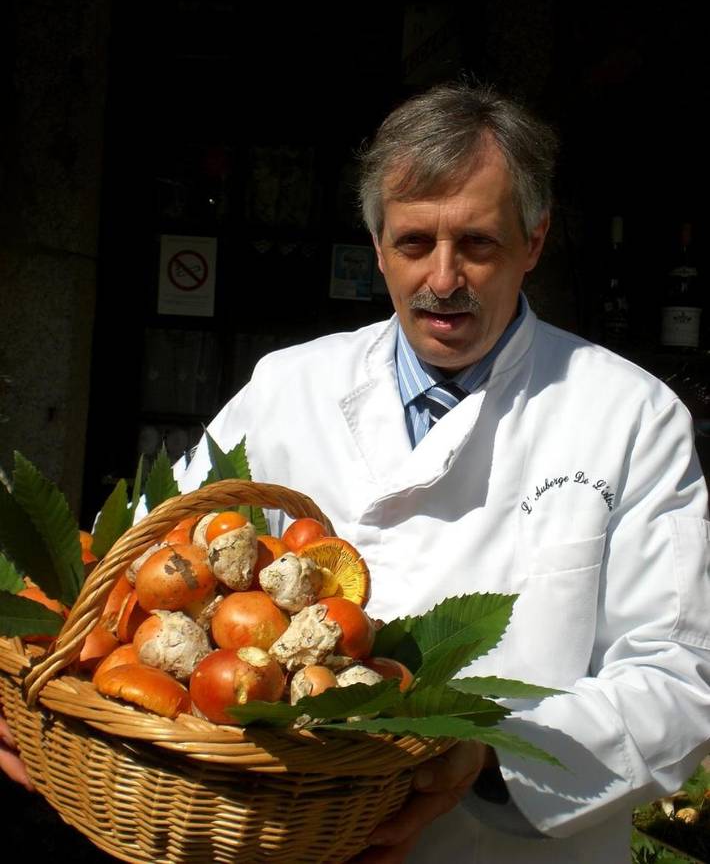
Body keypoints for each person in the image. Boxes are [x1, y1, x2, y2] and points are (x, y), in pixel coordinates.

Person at [3, 82, 710, 864]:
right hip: (280, 841)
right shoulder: (289, 387)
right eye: (414, 243)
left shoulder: (629, 415)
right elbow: (140, 571)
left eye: (477, 243)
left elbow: (679, 677)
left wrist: (487, 753)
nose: (443, 278)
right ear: (376, 244)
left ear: (534, 240)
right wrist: (48, 697)